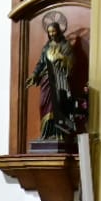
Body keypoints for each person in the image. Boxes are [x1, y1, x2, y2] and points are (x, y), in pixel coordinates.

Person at [30, 9, 79, 143]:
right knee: (43, 104)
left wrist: (61, 58)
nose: (52, 34)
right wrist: (34, 75)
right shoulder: (46, 47)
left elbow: (71, 62)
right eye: (50, 32)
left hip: (59, 79)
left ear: (59, 31)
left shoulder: (65, 46)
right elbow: (41, 63)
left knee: (58, 105)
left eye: (54, 31)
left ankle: (59, 134)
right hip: (47, 80)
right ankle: (46, 134)